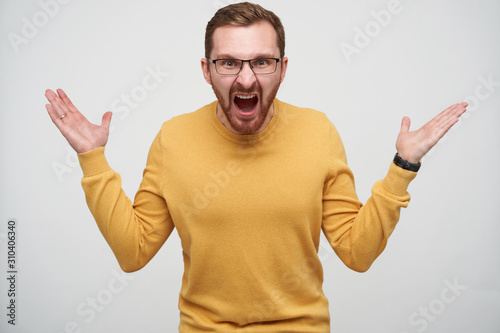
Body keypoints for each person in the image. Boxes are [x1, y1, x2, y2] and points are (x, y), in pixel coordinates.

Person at [44, 2, 467, 332]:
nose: (246, 79)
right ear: (207, 71)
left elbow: (357, 253)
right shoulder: (174, 138)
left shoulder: (317, 132)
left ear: (283, 68)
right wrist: (92, 159)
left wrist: (403, 165)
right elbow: (132, 251)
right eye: (229, 62)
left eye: (262, 61)